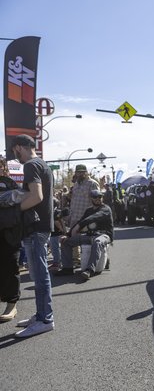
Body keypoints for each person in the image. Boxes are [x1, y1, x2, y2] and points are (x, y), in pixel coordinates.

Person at [10, 134, 55, 337]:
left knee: (39, 275)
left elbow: (37, 196)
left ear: (19, 147)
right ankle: (40, 315)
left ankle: (45, 319)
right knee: (38, 274)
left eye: (14, 151)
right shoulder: (42, 164)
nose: (14, 155)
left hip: (36, 227)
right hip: (40, 227)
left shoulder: (30, 165)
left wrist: (15, 210)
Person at [58, 189, 113, 280]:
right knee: (66, 242)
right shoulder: (88, 210)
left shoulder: (106, 209)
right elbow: (80, 221)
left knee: (98, 242)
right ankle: (67, 268)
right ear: (91, 198)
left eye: (100, 197)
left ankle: (90, 270)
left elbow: (94, 217)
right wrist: (68, 235)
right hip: (89, 235)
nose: (98, 199)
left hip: (104, 235)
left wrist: (80, 225)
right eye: (95, 197)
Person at [0, 156, 21, 322]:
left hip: (8, 233)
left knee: (10, 266)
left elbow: (18, 202)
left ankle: (11, 305)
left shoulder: (8, 183)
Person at [67, 164, 99, 268]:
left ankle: (93, 260)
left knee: (89, 239)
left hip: (87, 218)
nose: (80, 174)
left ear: (86, 172)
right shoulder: (76, 184)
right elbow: (73, 200)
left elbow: (98, 201)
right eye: (78, 172)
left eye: (82, 172)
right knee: (73, 238)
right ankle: (76, 260)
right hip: (75, 216)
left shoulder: (92, 184)